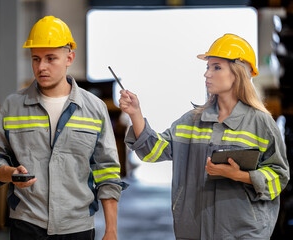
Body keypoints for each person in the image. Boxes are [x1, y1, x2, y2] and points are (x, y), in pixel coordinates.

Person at [119, 33, 290, 239]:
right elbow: (153, 151)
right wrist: (135, 114)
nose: (207, 74)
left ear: (239, 72)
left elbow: (279, 176)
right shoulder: (192, 121)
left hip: (242, 231)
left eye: (216, 67)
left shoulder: (260, 123)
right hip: (194, 229)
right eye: (207, 67)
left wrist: (240, 176)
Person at [0, 16, 126, 240]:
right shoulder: (13, 106)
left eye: (51, 59)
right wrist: (9, 173)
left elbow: (107, 171)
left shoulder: (94, 108)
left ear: (69, 57)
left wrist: (111, 230)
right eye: (36, 59)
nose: (41, 67)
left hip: (77, 228)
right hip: (26, 224)